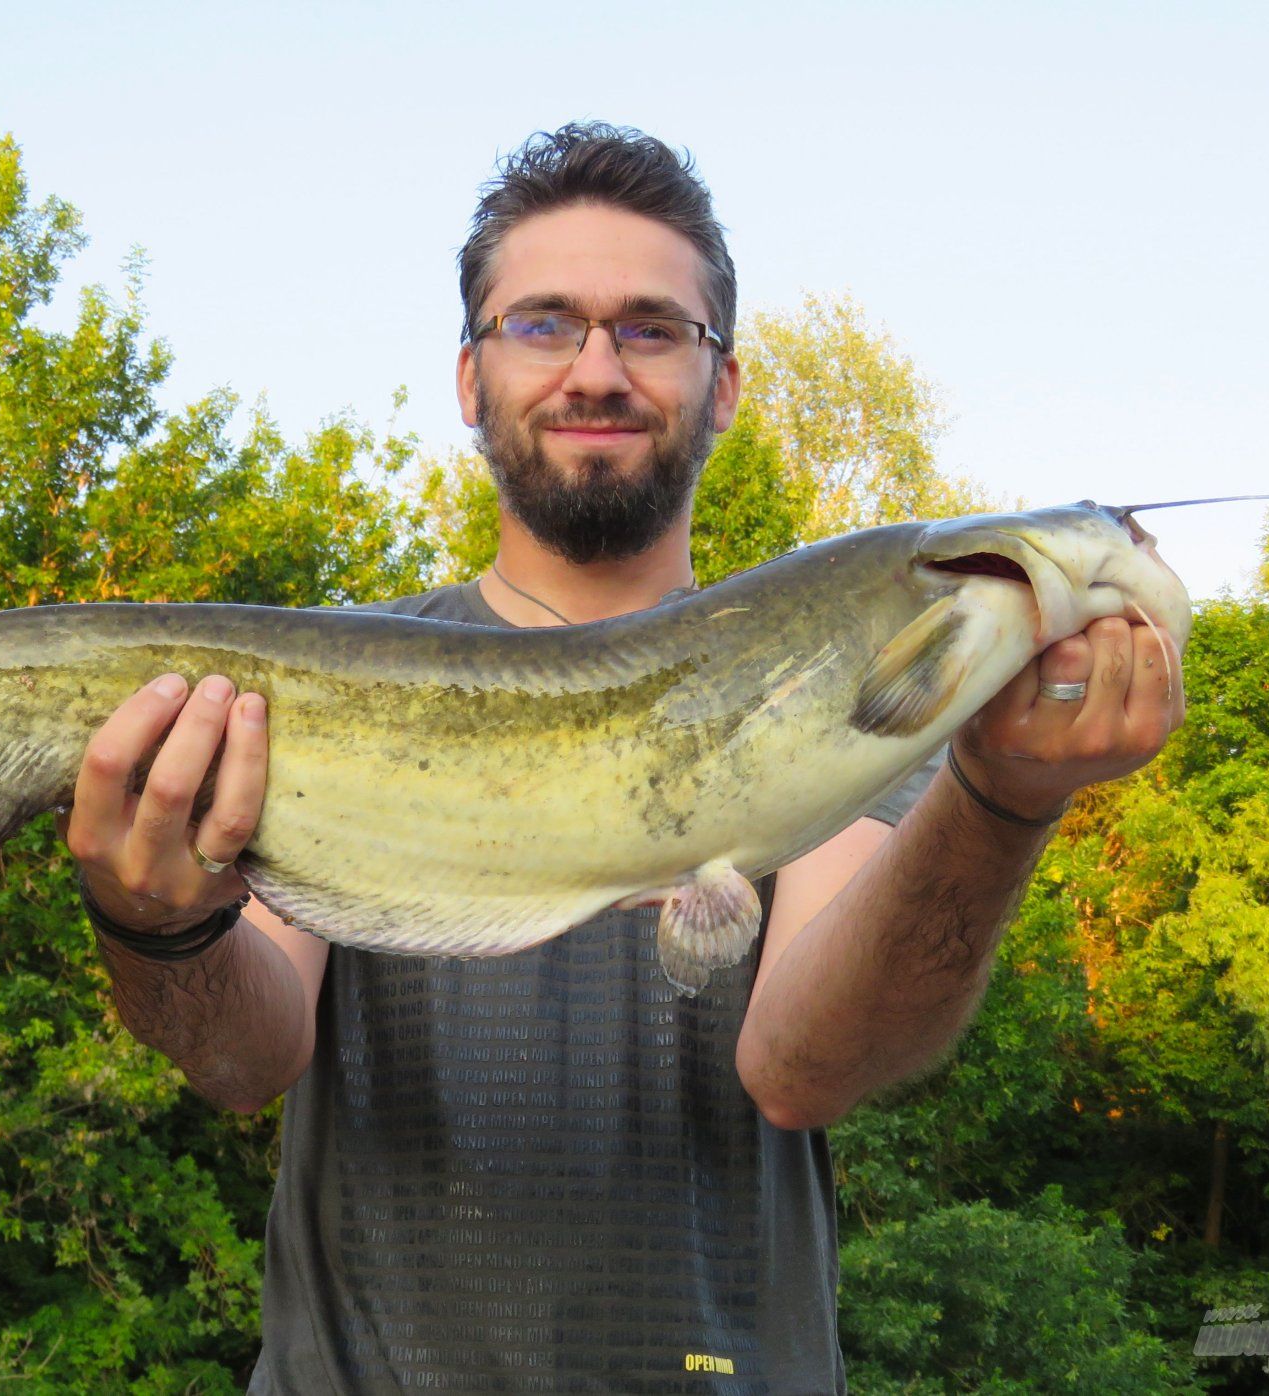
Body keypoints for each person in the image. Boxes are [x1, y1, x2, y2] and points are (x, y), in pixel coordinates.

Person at [58, 124, 1185, 1395]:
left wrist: (1004, 797)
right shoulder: (326, 683)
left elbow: (804, 1067)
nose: (596, 366)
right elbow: (243, 1061)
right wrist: (151, 925)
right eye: (543, 323)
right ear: (471, 376)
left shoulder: (845, 674)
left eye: (653, 328)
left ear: (726, 385)